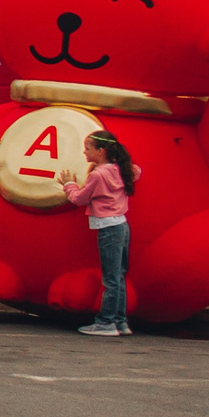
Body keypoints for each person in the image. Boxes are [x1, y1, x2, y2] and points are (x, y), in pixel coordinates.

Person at [63, 129, 141, 337]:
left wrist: (69, 185)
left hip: (107, 227)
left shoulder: (97, 175)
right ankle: (120, 321)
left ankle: (105, 322)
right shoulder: (122, 169)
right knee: (119, 276)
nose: (84, 152)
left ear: (100, 151)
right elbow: (137, 171)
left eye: (88, 148)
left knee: (110, 278)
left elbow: (79, 199)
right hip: (122, 225)